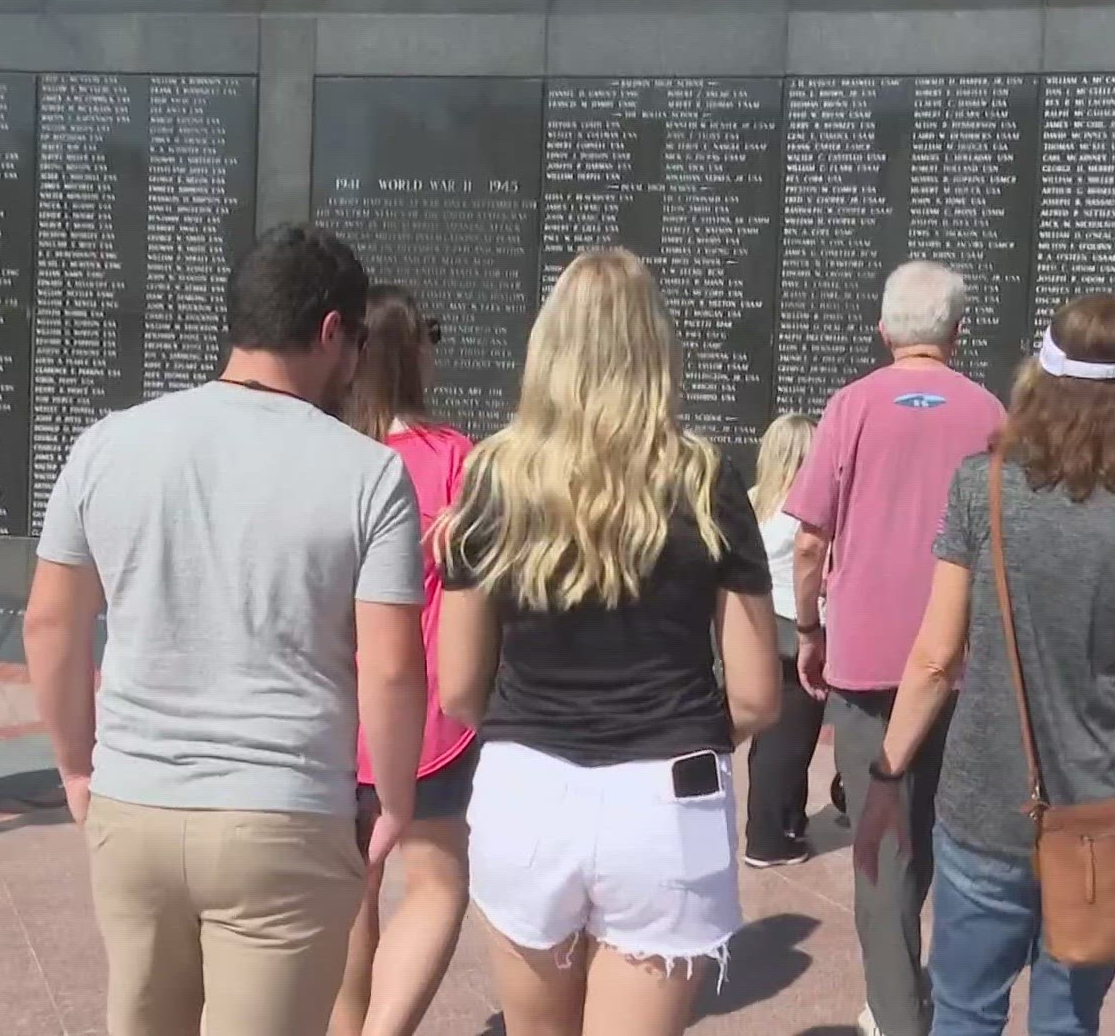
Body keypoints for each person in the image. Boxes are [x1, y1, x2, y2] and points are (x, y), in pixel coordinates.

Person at [23, 223, 428, 1036]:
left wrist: (76, 766)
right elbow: (389, 669)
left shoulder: (106, 446)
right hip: (283, 816)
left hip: (132, 803)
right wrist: (393, 799)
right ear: (330, 334)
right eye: (354, 344)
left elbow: (49, 623)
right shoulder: (369, 473)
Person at [851, 293, 1115, 1036]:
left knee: (964, 1010)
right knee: (1065, 1019)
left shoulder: (981, 485)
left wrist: (888, 777)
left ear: (1038, 380)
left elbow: (933, 659)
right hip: (1103, 816)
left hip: (984, 806)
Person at [435, 248, 781, 1036]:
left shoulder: (493, 478)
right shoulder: (707, 479)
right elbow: (760, 695)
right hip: (669, 794)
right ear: (657, 349)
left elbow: (458, 689)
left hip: (526, 786)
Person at [784, 260, 1006, 1036]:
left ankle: (896, 1012)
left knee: (882, 842)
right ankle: (942, 1000)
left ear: (884, 329)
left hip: (869, 663)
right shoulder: (989, 412)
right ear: (957, 332)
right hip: (965, 664)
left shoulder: (850, 407)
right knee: (954, 839)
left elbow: (810, 540)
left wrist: (808, 629)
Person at [330, 285, 477, 1036]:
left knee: (351, 890)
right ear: (413, 349)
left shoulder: (325, 456)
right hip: (427, 715)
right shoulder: (457, 460)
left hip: (330, 712)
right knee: (436, 880)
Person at [742, 411, 824, 868]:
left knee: (771, 740)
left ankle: (786, 821)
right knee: (789, 743)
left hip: (759, 631)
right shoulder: (804, 513)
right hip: (798, 632)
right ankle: (769, 840)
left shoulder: (755, 502)